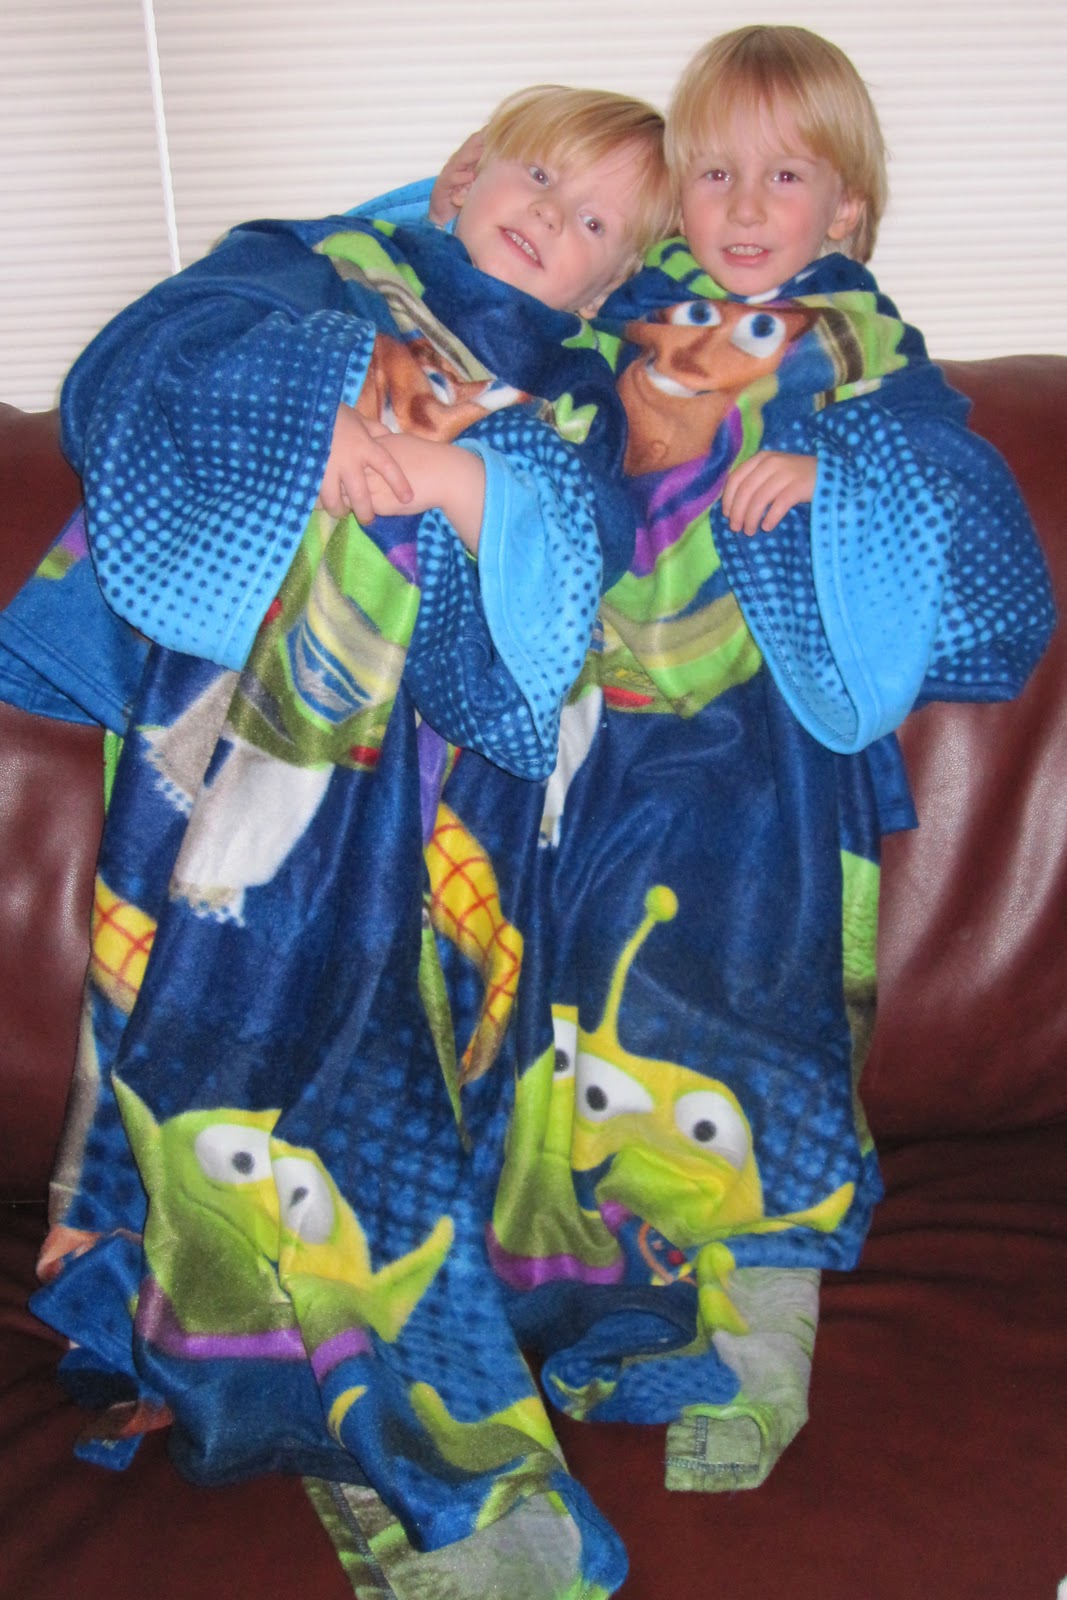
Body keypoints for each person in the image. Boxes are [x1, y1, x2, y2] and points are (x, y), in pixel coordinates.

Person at [0, 84, 680, 1600]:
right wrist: (325, 405)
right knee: (218, 1022)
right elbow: (144, 364)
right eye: (537, 177)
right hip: (236, 794)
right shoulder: (304, 272)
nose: (550, 219)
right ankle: (178, 1254)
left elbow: (580, 557)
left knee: (423, 1058)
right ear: (457, 178)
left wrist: (451, 475)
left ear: (608, 287)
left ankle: (405, 1272)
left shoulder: (578, 396)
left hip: (443, 836)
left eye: (593, 224)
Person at [429, 23, 1055, 1506]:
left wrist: (843, 475)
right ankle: (605, 1294)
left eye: (787, 176)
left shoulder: (861, 352)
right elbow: (532, 432)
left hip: (769, 773)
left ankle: (765, 1345)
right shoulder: (617, 324)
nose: (748, 205)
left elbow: (972, 533)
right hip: (597, 757)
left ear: (847, 208)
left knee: (756, 1035)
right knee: (586, 1023)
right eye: (713, 174)